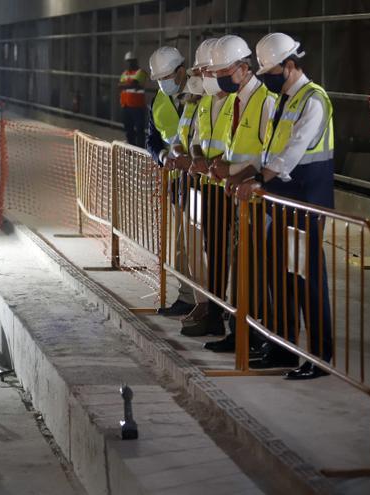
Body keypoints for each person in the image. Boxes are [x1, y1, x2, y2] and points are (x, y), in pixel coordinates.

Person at [231, 33, 334, 380]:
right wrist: (256, 175)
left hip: (308, 203)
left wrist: (260, 179)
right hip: (285, 203)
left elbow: (293, 151)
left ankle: (319, 356)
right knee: (282, 276)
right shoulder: (287, 99)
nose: (268, 77)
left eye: (271, 70)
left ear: (290, 65)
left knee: (308, 281)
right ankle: (283, 345)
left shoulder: (312, 100)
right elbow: (272, 149)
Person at [198, 35, 276, 355]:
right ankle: (239, 330)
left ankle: (258, 335)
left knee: (258, 272)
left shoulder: (265, 100)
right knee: (241, 268)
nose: (219, 78)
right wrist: (223, 167)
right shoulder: (237, 99)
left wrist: (233, 173)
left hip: (259, 200)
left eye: (224, 71)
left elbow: (268, 155)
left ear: (244, 68)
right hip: (238, 199)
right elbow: (235, 147)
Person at [166, 38, 233, 337]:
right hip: (203, 186)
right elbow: (193, 140)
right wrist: (191, 159)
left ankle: (224, 315)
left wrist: (209, 165)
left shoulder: (236, 101)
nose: (203, 77)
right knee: (205, 248)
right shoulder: (202, 101)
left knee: (225, 254)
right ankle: (211, 308)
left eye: (207, 71)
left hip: (228, 189)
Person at [146, 46, 204, 327]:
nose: (163, 83)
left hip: (203, 182)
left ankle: (210, 305)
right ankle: (187, 298)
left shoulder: (201, 94)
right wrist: (162, 155)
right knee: (182, 243)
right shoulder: (160, 99)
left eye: (167, 77)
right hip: (180, 181)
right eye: (159, 79)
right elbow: (152, 140)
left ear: (181, 71)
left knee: (203, 246)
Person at [118, 51, 148, 147]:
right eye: (128, 61)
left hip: (137, 106)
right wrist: (129, 84)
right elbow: (120, 86)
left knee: (139, 129)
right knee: (128, 128)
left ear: (135, 61)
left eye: (131, 61)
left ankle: (140, 148)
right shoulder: (125, 73)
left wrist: (126, 84)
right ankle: (131, 147)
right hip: (126, 106)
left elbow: (135, 84)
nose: (129, 63)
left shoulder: (141, 72)